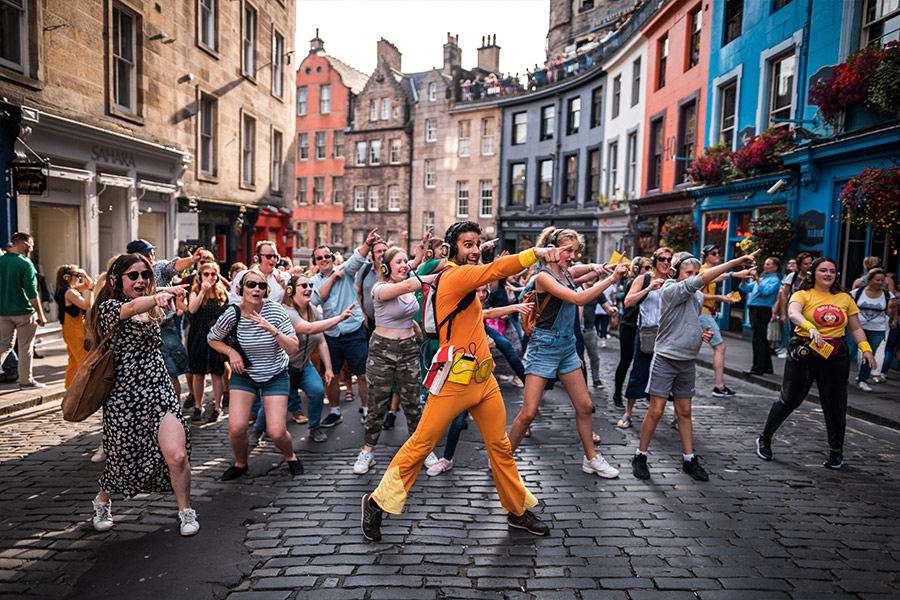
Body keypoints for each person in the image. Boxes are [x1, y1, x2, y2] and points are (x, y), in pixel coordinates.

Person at [361, 221, 566, 541]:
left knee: (500, 447)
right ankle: (376, 503)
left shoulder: (464, 273)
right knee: (421, 445)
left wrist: (482, 255)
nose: (474, 249)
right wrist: (534, 253)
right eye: (467, 244)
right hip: (454, 379)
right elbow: (493, 271)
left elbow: (487, 272)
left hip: (483, 379)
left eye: (477, 243)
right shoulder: (454, 276)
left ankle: (516, 510)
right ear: (452, 249)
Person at [85, 253, 198, 536]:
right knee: (122, 457)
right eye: (132, 275)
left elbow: (151, 300)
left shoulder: (154, 301)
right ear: (116, 280)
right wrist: (158, 295)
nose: (140, 280)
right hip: (123, 394)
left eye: (145, 275)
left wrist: (163, 295)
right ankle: (101, 502)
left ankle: (186, 512)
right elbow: (133, 307)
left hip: (158, 388)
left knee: (178, 455)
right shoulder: (108, 307)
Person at [507, 227, 628, 479]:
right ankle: (502, 458)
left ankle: (591, 459)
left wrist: (598, 267)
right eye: (567, 251)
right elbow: (578, 299)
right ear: (551, 251)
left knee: (585, 406)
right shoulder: (544, 277)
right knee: (528, 413)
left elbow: (579, 270)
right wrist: (611, 279)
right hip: (544, 348)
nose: (572, 256)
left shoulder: (566, 273)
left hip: (566, 347)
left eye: (575, 251)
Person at [632, 250, 759, 482]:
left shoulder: (698, 296)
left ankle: (689, 459)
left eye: (694, 272)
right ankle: (640, 455)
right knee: (657, 410)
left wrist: (702, 335)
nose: (693, 276)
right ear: (674, 272)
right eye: (687, 272)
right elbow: (699, 282)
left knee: (685, 412)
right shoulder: (669, 289)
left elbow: (687, 320)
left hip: (687, 360)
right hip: (666, 358)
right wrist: (734, 262)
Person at [756, 257, 877, 469]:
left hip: (835, 353)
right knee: (790, 399)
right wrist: (810, 327)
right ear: (813, 273)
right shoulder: (802, 294)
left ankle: (836, 452)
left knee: (835, 403)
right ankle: (765, 438)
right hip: (805, 349)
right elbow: (793, 313)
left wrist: (866, 350)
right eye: (823, 270)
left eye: (832, 271)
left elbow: (856, 328)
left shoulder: (844, 298)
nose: (828, 274)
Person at [208, 269, 303, 481]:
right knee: (237, 429)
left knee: (277, 432)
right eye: (251, 284)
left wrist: (272, 329)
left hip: (275, 374)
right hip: (245, 375)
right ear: (242, 289)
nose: (256, 289)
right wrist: (231, 352)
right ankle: (240, 464)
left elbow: (294, 348)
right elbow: (212, 338)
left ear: (266, 291)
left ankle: (290, 456)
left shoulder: (276, 312)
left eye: (261, 286)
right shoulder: (232, 314)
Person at [353, 247, 439, 475]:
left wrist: (414, 327)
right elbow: (411, 285)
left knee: (414, 404)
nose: (404, 265)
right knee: (377, 404)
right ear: (386, 267)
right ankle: (367, 452)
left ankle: (423, 451)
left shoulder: (408, 287)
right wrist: (444, 274)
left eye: (405, 261)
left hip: (409, 349)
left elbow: (406, 311)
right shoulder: (380, 288)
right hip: (383, 350)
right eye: (398, 261)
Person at [310, 231, 380, 428]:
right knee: (330, 376)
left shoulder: (345, 270)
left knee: (363, 374)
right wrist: (332, 279)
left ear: (332, 258)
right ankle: (334, 411)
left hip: (353, 330)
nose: (324, 259)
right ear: (315, 262)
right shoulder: (314, 281)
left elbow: (357, 259)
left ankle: (367, 409)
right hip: (331, 334)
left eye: (327, 256)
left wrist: (367, 243)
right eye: (320, 258)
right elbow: (316, 300)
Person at [280, 274, 355, 443]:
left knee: (317, 391)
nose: (308, 289)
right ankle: (259, 430)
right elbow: (307, 329)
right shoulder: (287, 312)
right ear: (291, 291)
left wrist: (328, 368)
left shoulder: (313, 310)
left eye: (310, 285)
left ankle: (314, 427)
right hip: (283, 367)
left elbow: (321, 340)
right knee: (273, 402)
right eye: (303, 286)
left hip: (304, 365)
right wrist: (339, 318)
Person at [619, 249, 671, 428]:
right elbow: (628, 302)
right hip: (647, 332)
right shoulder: (644, 279)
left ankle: (667, 413)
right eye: (662, 259)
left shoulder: (673, 280)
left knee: (667, 376)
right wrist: (649, 288)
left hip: (668, 333)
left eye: (669, 260)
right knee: (639, 372)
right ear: (656, 261)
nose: (666, 263)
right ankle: (628, 413)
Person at [0, 232, 47, 389]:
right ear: (25, 244)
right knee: (25, 347)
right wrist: (40, 314)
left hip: (3, 312)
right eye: (32, 245)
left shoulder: (1, 261)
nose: (32, 249)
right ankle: (26, 382)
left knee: (3, 346)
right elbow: (31, 292)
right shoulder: (25, 263)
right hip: (24, 312)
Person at [186, 262, 228, 422]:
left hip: (217, 337)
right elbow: (192, 309)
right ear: (200, 276)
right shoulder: (196, 291)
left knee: (217, 372)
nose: (210, 277)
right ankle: (198, 405)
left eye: (213, 274)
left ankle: (217, 407)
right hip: (198, 336)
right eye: (206, 274)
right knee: (198, 373)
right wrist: (203, 290)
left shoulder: (221, 292)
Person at [698, 244, 737, 398]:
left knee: (717, 347)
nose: (717, 255)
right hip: (703, 313)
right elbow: (697, 294)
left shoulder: (709, 272)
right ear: (705, 256)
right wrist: (719, 297)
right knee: (720, 347)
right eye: (713, 253)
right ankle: (719, 386)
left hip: (708, 313)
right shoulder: (703, 271)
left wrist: (736, 275)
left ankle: (719, 385)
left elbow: (719, 276)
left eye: (718, 252)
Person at [848, 269, 895, 391]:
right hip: (855, 328)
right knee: (849, 353)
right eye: (877, 280)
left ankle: (862, 380)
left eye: (882, 280)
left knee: (869, 355)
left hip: (877, 329)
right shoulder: (856, 293)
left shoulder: (887, 295)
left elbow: (889, 313)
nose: (880, 283)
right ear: (869, 280)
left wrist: (892, 309)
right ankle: (841, 378)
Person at [612, 258, 649, 408]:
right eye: (646, 267)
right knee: (626, 361)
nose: (649, 270)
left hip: (646, 327)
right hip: (630, 326)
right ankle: (617, 394)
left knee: (648, 362)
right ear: (636, 269)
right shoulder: (633, 282)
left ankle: (648, 393)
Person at [740, 257, 782, 375]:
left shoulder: (774, 280)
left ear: (775, 267)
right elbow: (745, 288)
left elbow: (765, 291)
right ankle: (767, 367)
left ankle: (757, 367)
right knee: (761, 338)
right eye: (765, 264)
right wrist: (744, 278)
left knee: (758, 339)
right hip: (755, 310)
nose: (765, 266)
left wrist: (757, 278)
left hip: (761, 310)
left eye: (768, 264)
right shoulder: (764, 278)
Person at [54, 264, 94, 387]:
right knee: (84, 360)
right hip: (76, 331)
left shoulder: (68, 290)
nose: (78, 278)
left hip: (70, 329)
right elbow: (87, 306)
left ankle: (70, 388)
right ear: (66, 278)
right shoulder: (70, 292)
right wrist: (91, 291)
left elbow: (88, 284)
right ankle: (84, 388)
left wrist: (85, 275)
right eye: (76, 276)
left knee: (73, 361)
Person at [582, 278, 617, 387]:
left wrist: (612, 310)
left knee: (595, 356)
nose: (590, 279)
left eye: (593, 277)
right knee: (576, 358)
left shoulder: (597, 292)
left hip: (590, 329)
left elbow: (607, 308)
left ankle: (596, 379)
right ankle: (578, 381)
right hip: (576, 330)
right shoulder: (577, 290)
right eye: (589, 276)